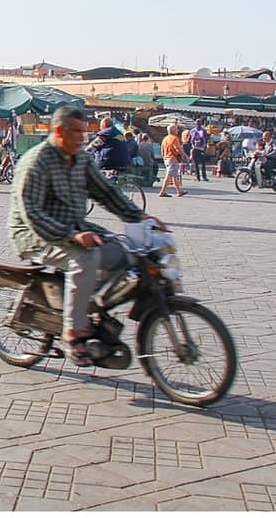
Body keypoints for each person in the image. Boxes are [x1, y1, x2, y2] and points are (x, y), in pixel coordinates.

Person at [9, 105, 166, 366]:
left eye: (85, 132)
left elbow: (106, 192)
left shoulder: (81, 159)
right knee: (86, 259)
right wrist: (72, 236)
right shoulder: (37, 161)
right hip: (35, 234)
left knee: (122, 253)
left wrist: (139, 217)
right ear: (59, 131)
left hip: (74, 226)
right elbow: (32, 214)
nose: (83, 138)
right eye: (77, 132)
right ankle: (72, 331)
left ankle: (89, 306)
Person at [157, 125, 188, 198]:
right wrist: (185, 156)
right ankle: (162, 191)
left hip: (167, 158)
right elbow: (178, 149)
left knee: (174, 175)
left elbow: (162, 149)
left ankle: (179, 191)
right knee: (169, 175)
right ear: (173, 131)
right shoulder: (174, 138)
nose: (177, 131)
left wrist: (164, 157)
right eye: (177, 129)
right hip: (172, 158)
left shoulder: (165, 138)